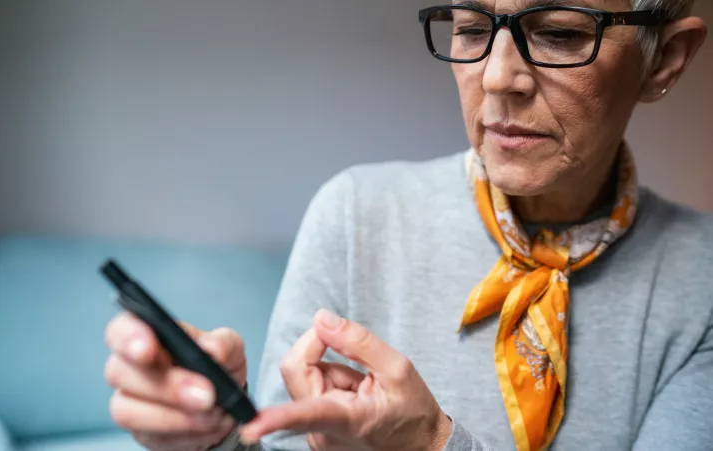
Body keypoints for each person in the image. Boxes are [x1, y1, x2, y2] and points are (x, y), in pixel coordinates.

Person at [102, 1, 711, 450]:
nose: (498, 77)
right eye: (472, 27)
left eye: (557, 33)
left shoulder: (701, 285)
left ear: (667, 59)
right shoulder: (355, 213)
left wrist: (430, 443)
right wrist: (211, 440)